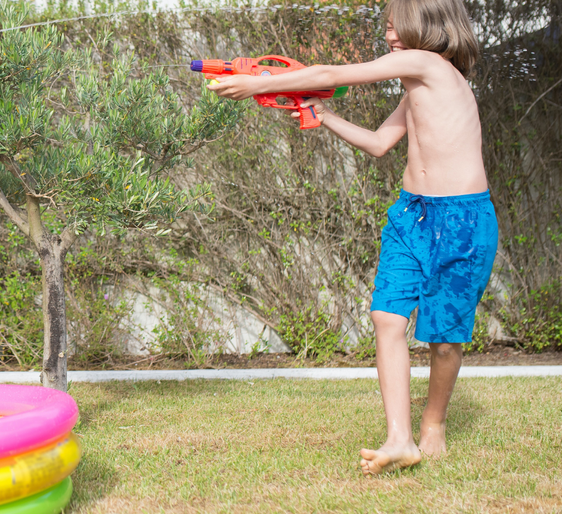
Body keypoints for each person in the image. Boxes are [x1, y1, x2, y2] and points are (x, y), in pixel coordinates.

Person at [208, 0, 496, 475]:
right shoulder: (414, 87)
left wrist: (258, 83)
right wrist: (324, 117)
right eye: (386, 28)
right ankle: (399, 439)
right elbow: (382, 143)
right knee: (387, 316)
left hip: (461, 219)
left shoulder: (429, 64)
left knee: (444, 339)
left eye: (397, 27)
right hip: (411, 213)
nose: (390, 37)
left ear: (429, 28)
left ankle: (433, 425)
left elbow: (330, 71)